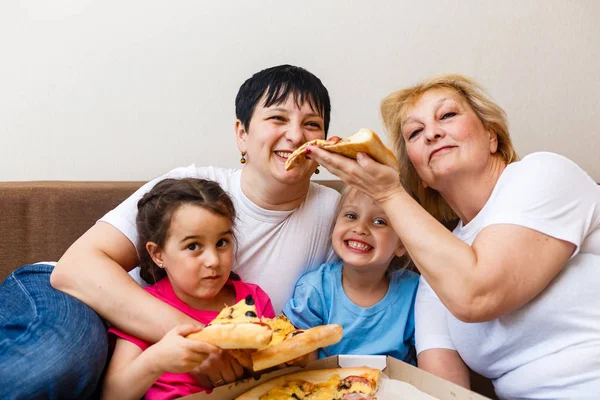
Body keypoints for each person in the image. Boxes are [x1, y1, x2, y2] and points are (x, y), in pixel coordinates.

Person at [0, 65, 339, 399]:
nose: (296, 136)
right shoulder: (198, 189)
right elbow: (74, 269)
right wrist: (203, 343)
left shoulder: (338, 213)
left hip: (143, 361)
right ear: (242, 134)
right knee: (62, 361)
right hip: (71, 298)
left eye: (312, 124)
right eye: (278, 119)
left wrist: (383, 190)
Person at [305, 73, 600, 399]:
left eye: (447, 115)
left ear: (492, 136)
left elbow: (478, 294)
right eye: (415, 132)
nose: (432, 132)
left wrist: (389, 193)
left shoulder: (543, 173)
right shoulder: (435, 271)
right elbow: (444, 392)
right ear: (420, 175)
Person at [102, 178, 275, 400]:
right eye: (193, 246)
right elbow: (112, 394)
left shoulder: (253, 299)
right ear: (158, 254)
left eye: (222, 242)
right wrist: (157, 359)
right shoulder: (145, 308)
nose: (213, 260)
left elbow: (276, 371)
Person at [283, 186, 419, 364]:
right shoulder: (315, 290)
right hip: (326, 386)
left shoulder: (415, 292)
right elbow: (302, 361)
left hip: (396, 386)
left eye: (379, 222)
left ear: (401, 244)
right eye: (351, 216)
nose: (360, 228)